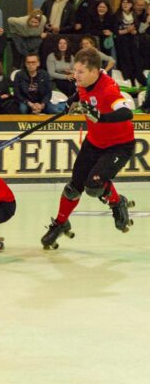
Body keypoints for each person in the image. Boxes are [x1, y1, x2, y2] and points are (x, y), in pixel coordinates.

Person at [41, 47, 136, 249]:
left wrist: (101, 117)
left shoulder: (109, 89)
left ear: (95, 71)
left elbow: (127, 113)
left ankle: (117, 202)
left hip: (118, 146)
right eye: (75, 71)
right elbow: (81, 94)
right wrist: (71, 101)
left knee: (94, 186)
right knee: (72, 189)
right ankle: (60, 223)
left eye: (80, 72)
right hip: (94, 142)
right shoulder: (84, 82)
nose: (76, 76)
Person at [114, 0, 146, 87]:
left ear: (131, 5)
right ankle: (130, 84)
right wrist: (127, 30)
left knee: (136, 63)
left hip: (133, 42)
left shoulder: (134, 15)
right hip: (122, 43)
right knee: (127, 64)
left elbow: (137, 29)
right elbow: (116, 31)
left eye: (128, 3)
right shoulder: (117, 15)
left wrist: (134, 31)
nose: (125, 5)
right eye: (124, 2)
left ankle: (142, 83)